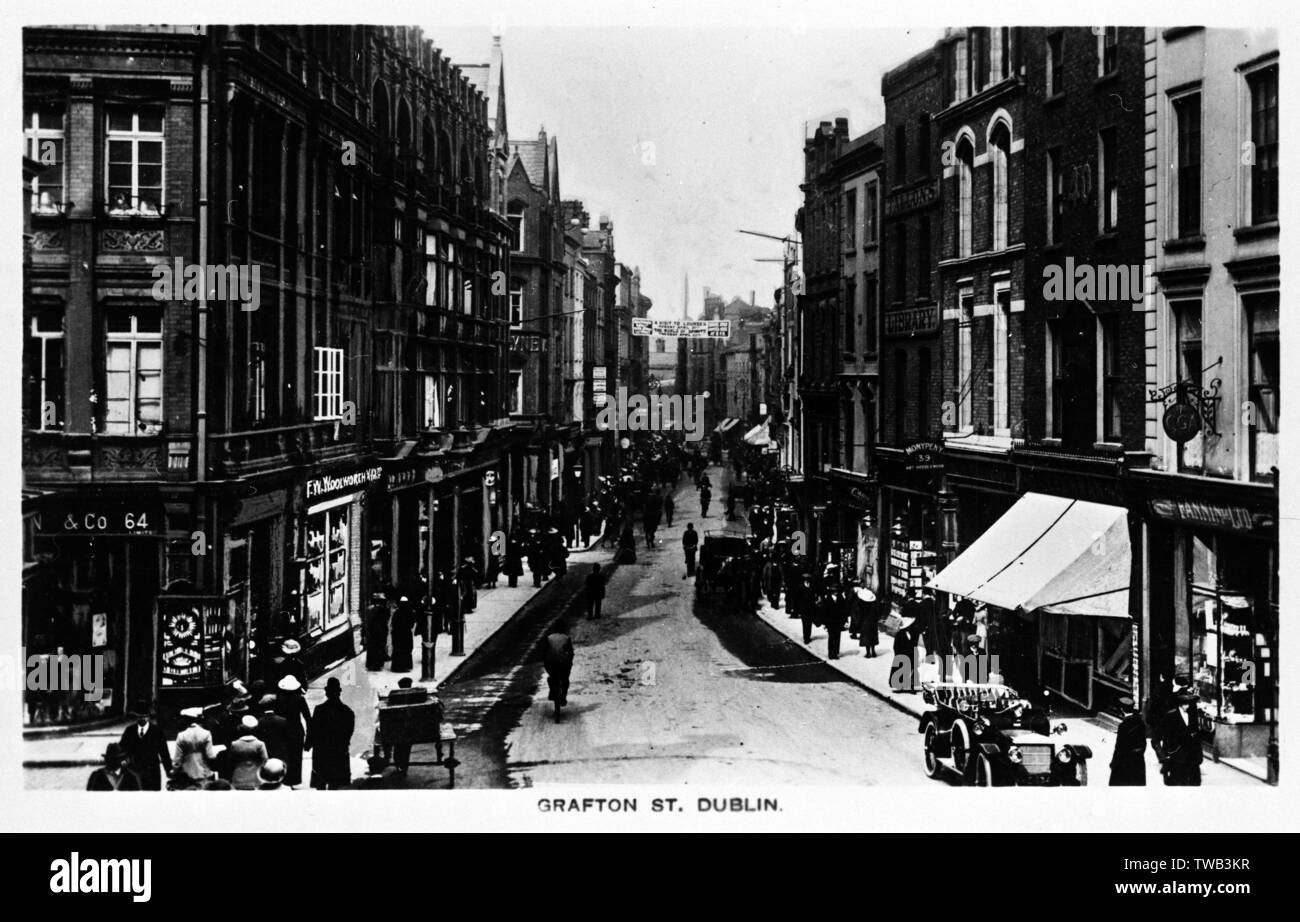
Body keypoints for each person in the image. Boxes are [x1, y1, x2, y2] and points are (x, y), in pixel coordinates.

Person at [310, 676, 355, 790]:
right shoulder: (347, 711)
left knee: (320, 783)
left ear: (326, 692)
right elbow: (349, 733)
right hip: (338, 751)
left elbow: (312, 729)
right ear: (339, 692)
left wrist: (308, 744)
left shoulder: (319, 710)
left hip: (321, 751)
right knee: (335, 783)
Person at [1155, 684, 1205, 786]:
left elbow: (1196, 736)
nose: (1189, 706)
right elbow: (1160, 737)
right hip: (1177, 757)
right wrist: (1164, 756)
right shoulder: (1171, 716)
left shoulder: (1192, 715)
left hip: (1192, 758)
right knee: (1178, 783)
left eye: (1190, 703)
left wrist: (1199, 755)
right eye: (1186, 704)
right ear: (1180, 704)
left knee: (1194, 784)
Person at [118, 710, 171, 791]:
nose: (142, 718)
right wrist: (123, 763)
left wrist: (168, 770)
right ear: (136, 717)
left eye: (145, 716)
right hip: (133, 772)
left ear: (149, 717)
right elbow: (121, 750)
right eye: (139, 716)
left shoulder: (157, 731)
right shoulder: (129, 731)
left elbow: (164, 753)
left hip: (152, 772)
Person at [274, 674, 311, 787]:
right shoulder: (300, 698)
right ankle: (294, 779)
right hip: (296, 731)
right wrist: (309, 739)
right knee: (296, 757)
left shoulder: (279, 699)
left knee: (284, 755)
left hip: (282, 730)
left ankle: (284, 779)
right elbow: (308, 718)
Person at [171, 706, 220, 788]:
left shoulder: (181, 735)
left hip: (186, 773)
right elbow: (210, 755)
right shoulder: (206, 733)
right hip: (204, 771)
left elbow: (177, 760)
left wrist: (174, 771)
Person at [1109, 696, 1148, 786]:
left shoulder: (1123, 725)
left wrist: (1114, 763)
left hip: (1124, 763)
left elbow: (1119, 747)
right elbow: (1143, 744)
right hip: (1138, 762)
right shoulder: (1140, 722)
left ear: (1122, 710)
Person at [542, 621, 575, 720]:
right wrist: (569, 661)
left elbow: (544, 651)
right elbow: (571, 652)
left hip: (551, 664)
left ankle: (552, 691)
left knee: (551, 677)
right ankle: (563, 696)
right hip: (563, 664)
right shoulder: (566, 638)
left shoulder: (549, 638)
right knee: (565, 679)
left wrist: (546, 661)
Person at [253, 694, 293, 776]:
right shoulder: (283, 720)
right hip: (280, 752)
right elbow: (288, 738)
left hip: (266, 753)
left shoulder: (259, 722)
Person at [228, 715, 269, 790]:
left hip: (238, 776)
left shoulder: (235, 744)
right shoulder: (260, 744)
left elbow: (231, 760)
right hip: (256, 776)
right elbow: (265, 760)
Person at [389, 595, 417, 673]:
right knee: (406, 650)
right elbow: (412, 623)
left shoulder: (396, 612)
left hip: (397, 634)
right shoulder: (410, 612)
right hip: (406, 633)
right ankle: (405, 666)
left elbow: (393, 623)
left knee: (397, 650)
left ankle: (397, 667)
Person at [892, 616, 918, 692]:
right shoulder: (899, 634)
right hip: (902, 655)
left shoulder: (912, 633)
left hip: (910, 654)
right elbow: (896, 646)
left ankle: (909, 686)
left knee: (910, 670)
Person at [365, 593, 389, 671]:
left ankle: (371, 663)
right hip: (381, 630)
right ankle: (378, 664)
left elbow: (367, 620)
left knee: (372, 647)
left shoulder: (369, 609)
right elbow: (386, 619)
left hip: (371, 631)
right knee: (379, 646)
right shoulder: (384, 609)